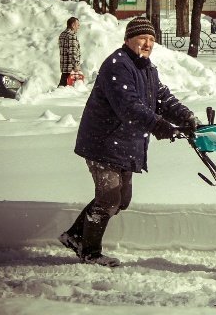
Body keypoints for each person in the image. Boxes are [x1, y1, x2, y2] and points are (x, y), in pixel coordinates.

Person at [59, 17, 200, 267]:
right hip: (103, 142)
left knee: (121, 200)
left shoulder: (147, 68)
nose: (147, 44)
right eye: (142, 39)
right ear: (128, 40)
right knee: (109, 198)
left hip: (124, 144)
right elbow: (129, 106)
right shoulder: (117, 65)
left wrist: (185, 116)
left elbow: (161, 98)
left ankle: (75, 235)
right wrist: (158, 125)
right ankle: (89, 250)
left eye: (151, 40)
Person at [58, 17, 82, 87]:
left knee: (62, 86)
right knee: (67, 91)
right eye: (77, 25)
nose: (78, 27)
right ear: (73, 25)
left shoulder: (62, 34)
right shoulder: (71, 36)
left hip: (64, 67)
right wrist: (76, 65)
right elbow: (72, 52)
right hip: (71, 68)